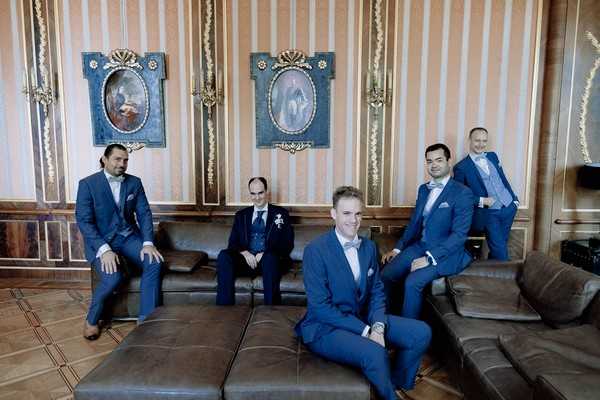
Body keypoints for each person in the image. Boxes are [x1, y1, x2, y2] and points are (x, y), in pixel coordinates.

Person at [295, 186, 431, 400]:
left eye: (358, 213)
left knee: (421, 332)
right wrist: (368, 331)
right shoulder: (316, 250)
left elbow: (377, 291)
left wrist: (378, 325)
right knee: (374, 352)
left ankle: (396, 383)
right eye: (346, 213)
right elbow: (320, 308)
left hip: (362, 316)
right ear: (333, 214)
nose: (353, 220)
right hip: (325, 328)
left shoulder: (368, 247)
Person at [76, 144, 163, 340]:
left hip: (128, 237)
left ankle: (146, 318)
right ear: (105, 159)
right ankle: (92, 320)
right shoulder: (88, 184)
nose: (122, 164)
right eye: (117, 159)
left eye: (125, 160)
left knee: (154, 262)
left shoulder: (134, 183)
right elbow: (84, 221)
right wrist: (104, 249)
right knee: (113, 278)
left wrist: (148, 242)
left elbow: (144, 213)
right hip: (102, 241)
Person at [381, 144, 473, 319]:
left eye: (439, 160)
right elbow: (414, 224)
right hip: (420, 245)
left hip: (446, 253)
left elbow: (459, 236)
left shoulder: (462, 193)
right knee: (386, 275)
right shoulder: (424, 189)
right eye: (429, 161)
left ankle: (409, 335)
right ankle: (385, 323)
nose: (434, 165)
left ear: (448, 161)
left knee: (412, 282)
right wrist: (397, 249)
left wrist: (430, 258)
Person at [216, 177, 294, 305]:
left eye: (260, 193)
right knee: (224, 256)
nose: (257, 198)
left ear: (267, 192)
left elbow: (287, 243)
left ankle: (271, 310)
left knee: (269, 258)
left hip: (270, 261)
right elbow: (232, 243)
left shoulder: (281, 214)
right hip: (247, 261)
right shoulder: (241, 215)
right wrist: (245, 253)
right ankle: (224, 310)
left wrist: (265, 253)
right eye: (253, 193)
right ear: (250, 194)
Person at [453, 127, 519, 260]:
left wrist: (514, 199)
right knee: (501, 254)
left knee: (500, 246)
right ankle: (504, 278)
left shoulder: (493, 156)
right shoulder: (461, 167)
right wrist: (482, 201)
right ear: (469, 140)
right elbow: (458, 197)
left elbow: (502, 178)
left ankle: (490, 275)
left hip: (508, 208)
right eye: (477, 140)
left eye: (484, 141)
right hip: (489, 213)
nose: (481, 144)